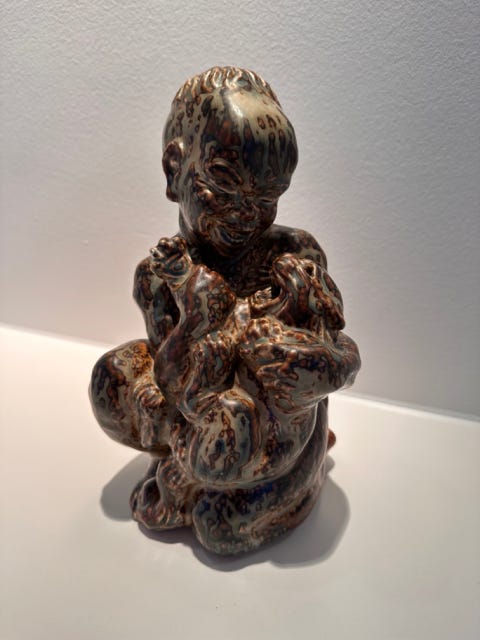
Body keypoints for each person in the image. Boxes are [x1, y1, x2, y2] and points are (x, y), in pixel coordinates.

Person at [90, 67, 360, 554]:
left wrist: (305, 362)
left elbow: (334, 359)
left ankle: (245, 484)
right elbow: (173, 375)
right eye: (225, 183)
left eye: (268, 197)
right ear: (175, 169)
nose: (247, 213)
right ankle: (191, 471)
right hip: (201, 416)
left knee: (220, 527)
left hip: (272, 436)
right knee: (112, 381)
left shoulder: (292, 257)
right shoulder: (158, 275)